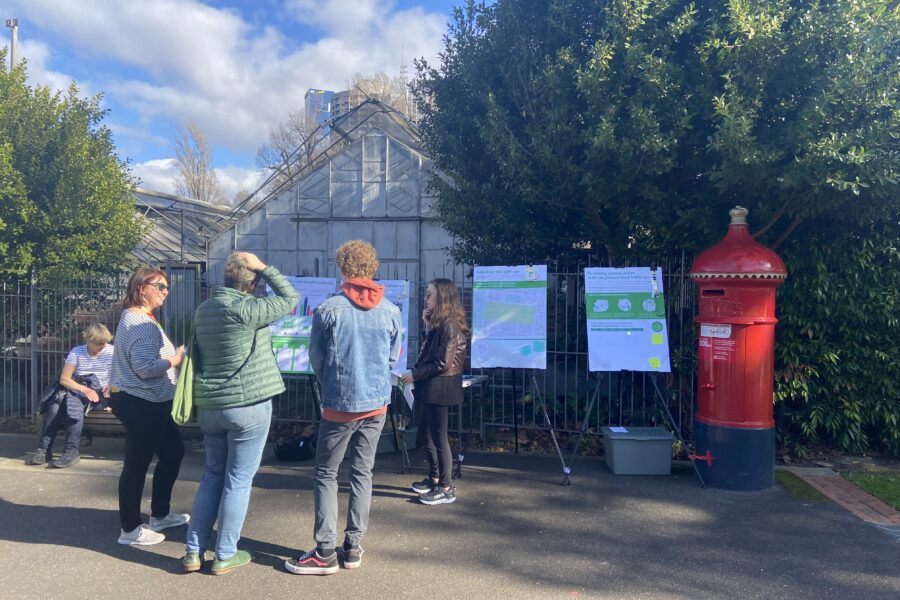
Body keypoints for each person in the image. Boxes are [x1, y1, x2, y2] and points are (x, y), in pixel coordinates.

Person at [285, 240, 401, 576]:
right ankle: (352, 546)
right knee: (363, 473)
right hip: (377, 404)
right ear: (373, 268)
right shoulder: (391, 311)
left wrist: (331, 384)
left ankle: (324, 550)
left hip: (339, 405)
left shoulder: (328, 310)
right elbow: (391, 358)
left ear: (342, 268)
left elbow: (317, 360)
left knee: (326, 473)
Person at [182, 252, 298, 575]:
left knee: (212, 476)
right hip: (248, 406)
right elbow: (290, 298)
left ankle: (193, 552)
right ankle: (225, 554)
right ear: (253, 283)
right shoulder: (250, 309)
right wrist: (265, 267)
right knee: (238, 480)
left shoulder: (202, 310)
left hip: (211, 406)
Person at [108, 267, 189, 546]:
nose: (165, 292)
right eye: (160, 287)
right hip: (141, 401)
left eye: (167, 288)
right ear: (142, 288)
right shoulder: (140, 324)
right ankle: (129, 529)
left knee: (174, 452)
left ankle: (160, 514)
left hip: (151, 401)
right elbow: (144, 368)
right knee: (136, 464)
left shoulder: (141, 318)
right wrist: (174, 361)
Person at [401, 279, 468, 505]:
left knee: (439, 437)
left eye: (429, 294)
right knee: (425, 434)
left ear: (442, 298)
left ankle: (446, 487)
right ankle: (435, 477)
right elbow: (429, 354)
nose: (425, 298)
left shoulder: (450, 326)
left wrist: (415, 375)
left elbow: (442, 363)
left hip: (441, 388)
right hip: (432, 387)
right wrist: (428, 327)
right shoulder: (440, 325)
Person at [28, 324, 114, 468]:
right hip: (79, 390)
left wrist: (112, 385)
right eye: (99, 343)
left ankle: (70, 451)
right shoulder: (77, 352)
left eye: (104, 342)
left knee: (73, 404)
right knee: (55, 406)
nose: (103, 346)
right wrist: (84, 390)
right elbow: (65, 379)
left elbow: (123, 375)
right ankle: (44, 450)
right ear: (88, 340)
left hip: (100, 395)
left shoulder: (113, 352)